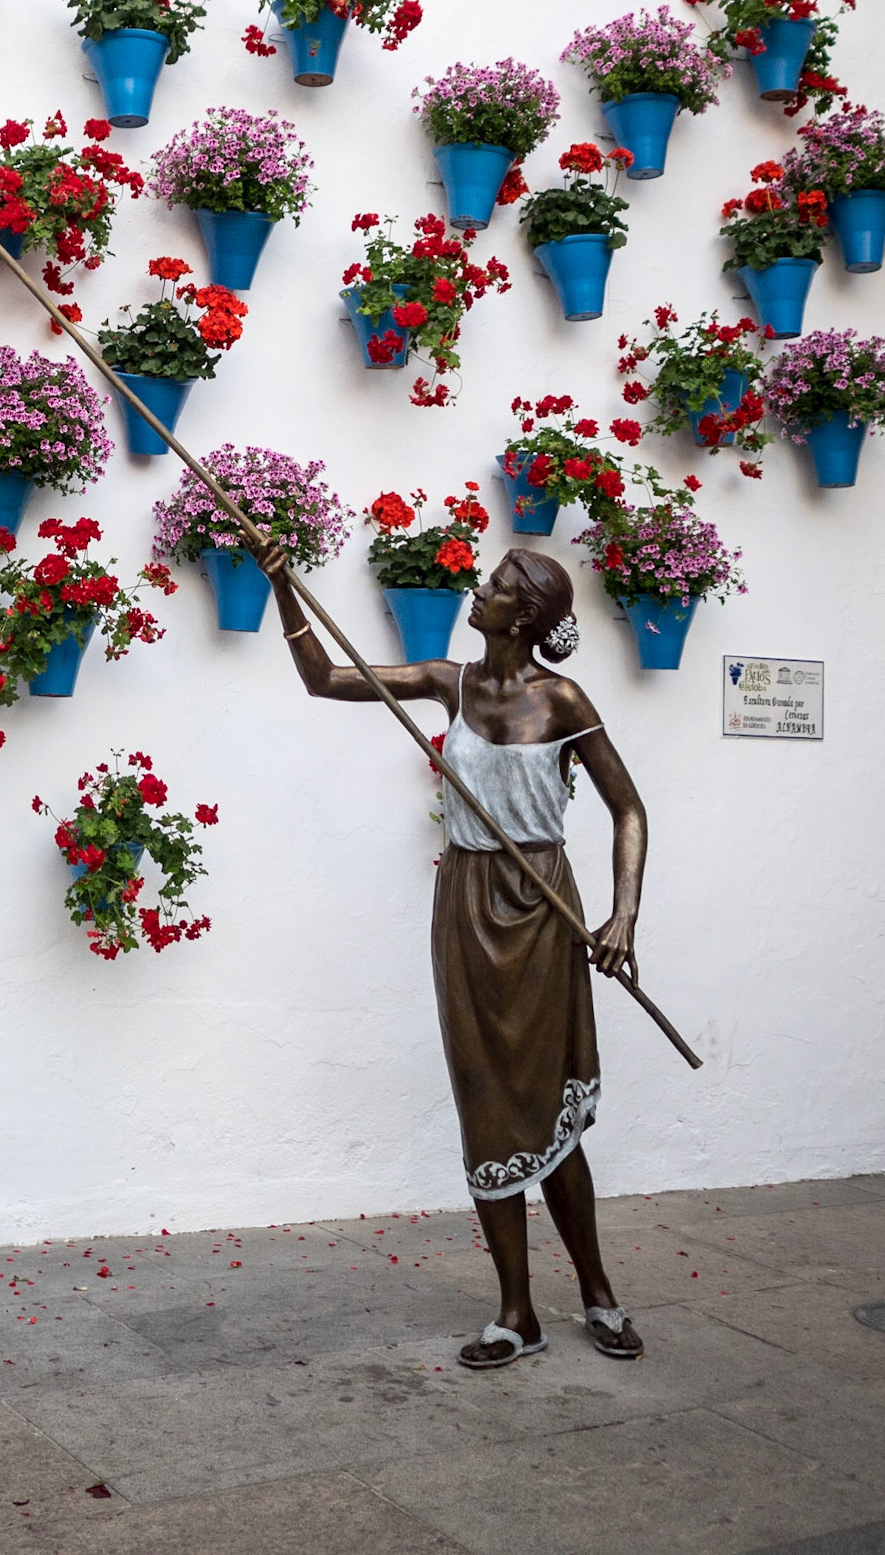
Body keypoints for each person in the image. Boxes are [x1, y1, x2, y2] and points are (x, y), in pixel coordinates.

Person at [258, 541, 647, 1367]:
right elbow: (323, 679)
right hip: (466, 906)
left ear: (529, 616)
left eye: (501, 586)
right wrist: (282, 587)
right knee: (488, 1108)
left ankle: (598, 1294)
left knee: (551, 1117)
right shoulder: (447, 682)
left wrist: (623, 919)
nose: (483, 588)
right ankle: (517, 1312)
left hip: (542, 907)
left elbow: (629, 811)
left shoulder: (564, 700)